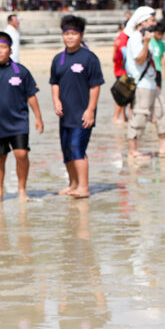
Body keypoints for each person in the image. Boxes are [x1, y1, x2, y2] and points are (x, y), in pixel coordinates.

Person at [0, 31, 43, 203]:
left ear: (10, 50)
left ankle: (22, 189)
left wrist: (38, 117)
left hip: (19, 122)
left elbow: (31, 96)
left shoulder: (21, 71)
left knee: (21, 154)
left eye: (3, 47)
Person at [49, 15, 104, 198]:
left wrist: (90, 110)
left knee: (77, 148)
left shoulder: (89, 58)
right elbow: (54, 82)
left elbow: (95, 85)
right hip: (65, 114)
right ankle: (72, 184)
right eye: (66, 34)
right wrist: (56, 100)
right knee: (66, 150)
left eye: (74, 33)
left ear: (81, 35)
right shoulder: (59, 59)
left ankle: (84, 187)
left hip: (82, 114)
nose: (70, 37)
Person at [124, 6, 165, 159]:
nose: (154, 23)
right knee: (139, 116)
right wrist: (146, 43)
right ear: (143, 21)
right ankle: (133, 150)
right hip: (142, 85)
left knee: (161, 113)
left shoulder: (146, 36)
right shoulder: (135, 38)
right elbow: (139, 60)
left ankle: (164, 145)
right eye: (152, 20)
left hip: (151, 82)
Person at [112, 21, 129, 123]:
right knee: (122, 95)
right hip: (122, 71)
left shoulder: (122, 37)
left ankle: (124, 116)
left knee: (125, 95)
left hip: (123, 71)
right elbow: (115, 58)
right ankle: (116, 117)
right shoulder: (122, 38)